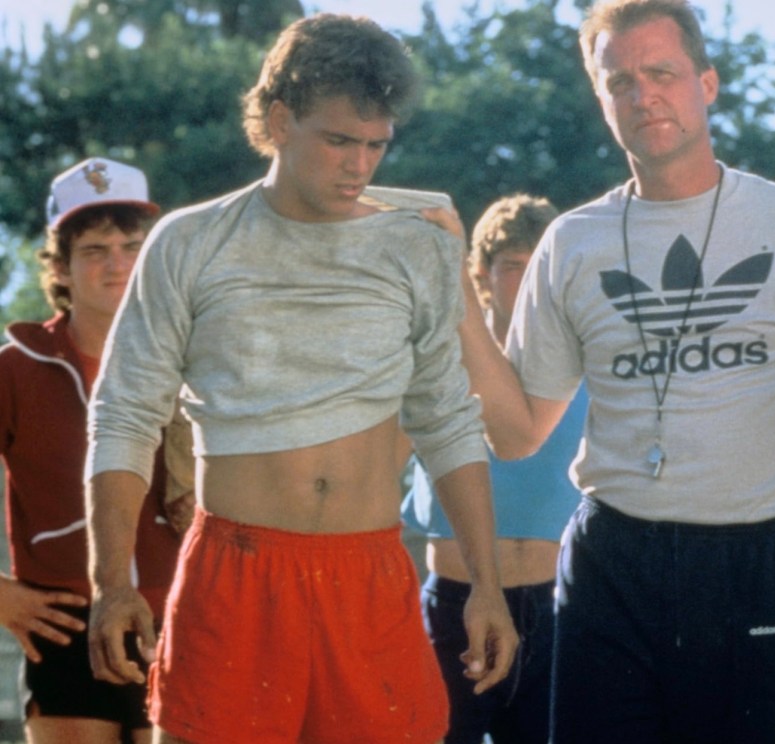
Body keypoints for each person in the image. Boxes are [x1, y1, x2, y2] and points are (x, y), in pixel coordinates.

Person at [454, 1, 775, 741]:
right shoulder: (571, 242)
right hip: (611, 562)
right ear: (600, 98)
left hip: (753, 558)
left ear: (707, 83)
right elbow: (518, 434)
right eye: (618, 81)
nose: (642, 94)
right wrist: (455, 297)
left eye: (661, 73)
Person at [82, 14, 517, 744]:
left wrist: (487, 585)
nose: (360, 165)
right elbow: (124, 412)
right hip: (235, 577)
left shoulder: (418, 250)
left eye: (376, 145)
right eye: (339, 140)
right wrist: (111, 583)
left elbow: (447, 418)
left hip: (371, 578)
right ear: (280, 122)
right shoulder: (190, 241)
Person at [0, 157, 185, 744]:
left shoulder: (192, 362)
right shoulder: (17, 368)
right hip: (66, 624)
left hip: (185, 614)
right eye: (94, 249)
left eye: (132, 246)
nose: (117, 265)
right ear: (60, 266)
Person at [402, 194, 588, 744]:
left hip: (555, 604)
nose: (529, 281)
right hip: (456, 602)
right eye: (513, 267)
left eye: (540, 267)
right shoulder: (434, 351)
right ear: (480, 274)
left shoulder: (583, 358)